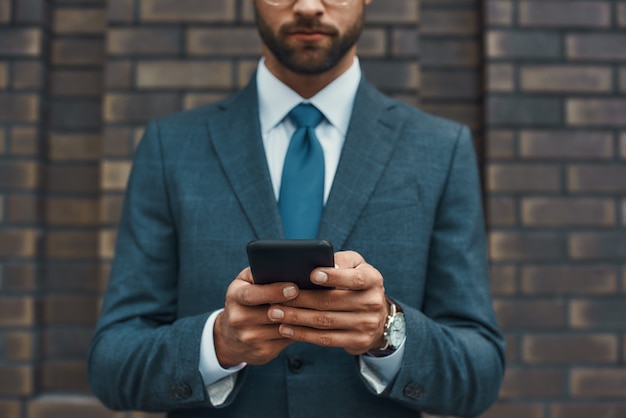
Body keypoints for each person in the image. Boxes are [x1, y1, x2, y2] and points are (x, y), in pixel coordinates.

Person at [87, 0, 505, 417]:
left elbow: (480, 374)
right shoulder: (172, 147)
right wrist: (217, 343)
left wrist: (386, 331)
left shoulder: (440, 150)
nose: (307, 6)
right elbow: (112, 364)